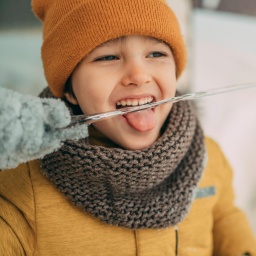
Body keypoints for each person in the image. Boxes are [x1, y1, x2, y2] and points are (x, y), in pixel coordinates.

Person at [0, 0, 255, 255]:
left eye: (156, 54)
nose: (139, 75)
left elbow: (226, 221)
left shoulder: (209, 158)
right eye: (108, 57)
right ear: (70, 90)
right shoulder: (23, 184)